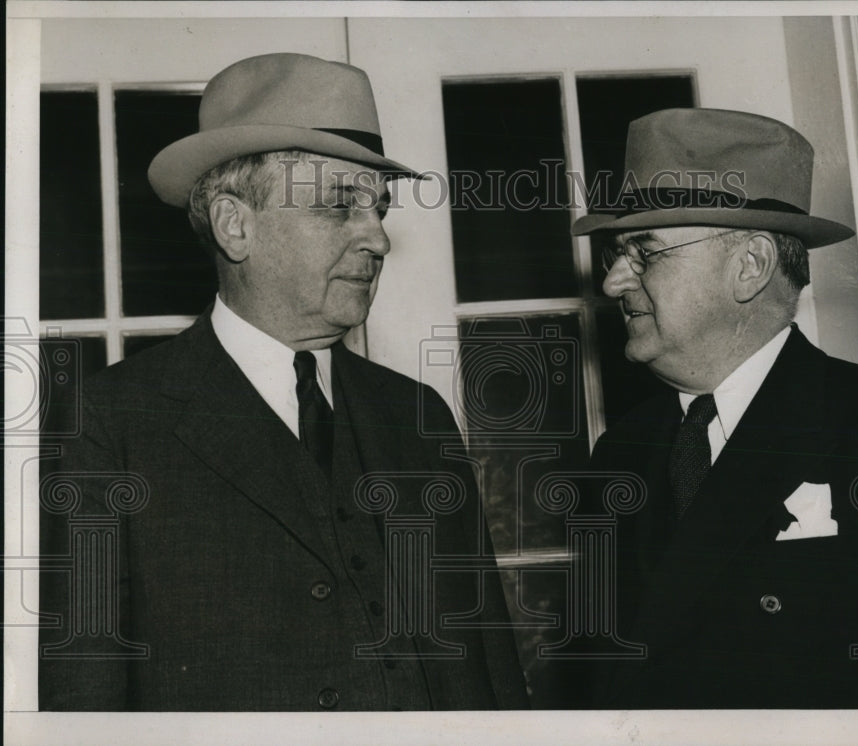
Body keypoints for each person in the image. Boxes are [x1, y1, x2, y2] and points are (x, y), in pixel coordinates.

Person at [38, 53, 527, 711]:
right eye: (341, 207)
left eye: (379, 210)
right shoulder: (111, 423)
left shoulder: (417, 414)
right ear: (236, 225)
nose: (378, 240)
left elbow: (493, 674)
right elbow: (83, 699)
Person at [574, 108, 858, 708]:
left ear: (750, 266)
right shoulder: (618, 455)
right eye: (616, 255)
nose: (613, 283)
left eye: (645, 253)